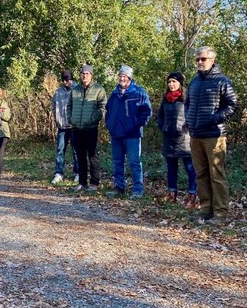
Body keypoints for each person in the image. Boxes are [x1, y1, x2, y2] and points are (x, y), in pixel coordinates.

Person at [185, 46, 237, 225]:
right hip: (196, 134)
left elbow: (232, 104)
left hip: (215, 135)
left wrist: (215, 118)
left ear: (212, 60)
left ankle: (221, 213)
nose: (200, 62)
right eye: (198, 59)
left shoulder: (222, 81)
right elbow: (188, 104)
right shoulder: (194, 82)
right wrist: (189, 121)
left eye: (203, 59)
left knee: (217, 174)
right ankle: (205, 210)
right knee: (201, 174)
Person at [105, 65, 152, 198]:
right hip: (116, 134)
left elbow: (147, 111)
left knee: (134, 162)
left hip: (132, 135)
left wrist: (137, 125)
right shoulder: (114, 94)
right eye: (120, 76)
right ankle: (119, 187)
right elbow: (108, 111)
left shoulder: (139, 92)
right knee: (117, 162)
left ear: (130, 78)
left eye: (124, 76)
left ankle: (138, 190)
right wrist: (109, 124)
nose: (122, 78)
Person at [157, 72, 198, 205]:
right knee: (171, 168)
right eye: (169, 82)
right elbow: (160, 116)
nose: (171, 84)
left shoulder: (187, 98)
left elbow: (193, 115)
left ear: (180, 83)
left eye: (174, 82)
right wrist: (163, 127)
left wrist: (187, 129)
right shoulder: (165, 99)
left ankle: (192, 195)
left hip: (185, 138)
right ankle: (171, 194)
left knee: (190, 168)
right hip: (169, 138)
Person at [67, 65, 107, 192]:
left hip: (90, 128)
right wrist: (71, 119)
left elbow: (103, 108)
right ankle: (82, 182)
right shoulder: (75, 90)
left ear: (91, 75)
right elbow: (69, 106)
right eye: (83, 73)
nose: (84, 75)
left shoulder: (98, 89)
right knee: (80, 156)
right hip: (76, 128)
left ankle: (94, 183)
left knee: (93, 156)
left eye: (87, 73)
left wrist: (92, 120)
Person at [51, 70, 79, 184]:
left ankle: (78, 173)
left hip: (74, 126)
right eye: (63, 80)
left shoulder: (78, 90)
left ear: (71, 79)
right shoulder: (58, 92)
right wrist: (56, 119)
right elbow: (53, 106)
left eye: (67, 80)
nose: (65, 82)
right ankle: (58, 173)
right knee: (60, 150)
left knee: (76, 150)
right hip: (62, 126)